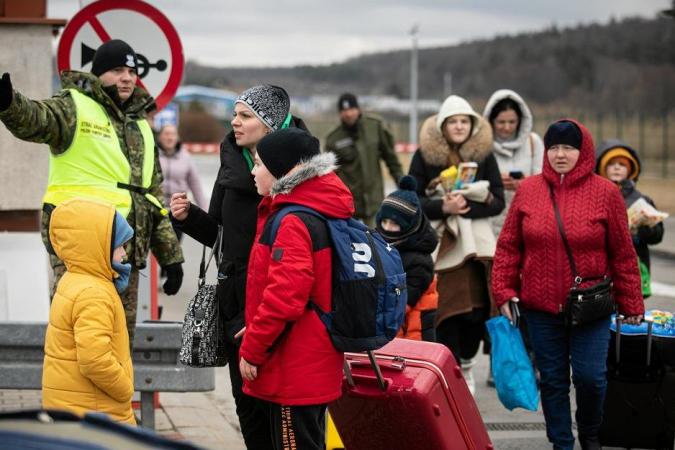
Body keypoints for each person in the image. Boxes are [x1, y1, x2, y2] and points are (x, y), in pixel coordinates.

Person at [0, 39, 184, 346]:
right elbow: (36, 119)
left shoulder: (141, 125)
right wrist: (9, 103)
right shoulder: (73, 106)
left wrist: (170, 256)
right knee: (77, 346)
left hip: (124, 256)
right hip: (80, 254)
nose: (127, 77)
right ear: (99, 74)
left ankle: (115, 397)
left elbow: (151, 196)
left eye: (131, 70)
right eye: (117, 70)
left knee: (117, 347)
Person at [170, 84, 308, 449]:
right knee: (247, 407)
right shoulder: (231, 160)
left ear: (270, 124)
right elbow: (219, 232)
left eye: (245, 116)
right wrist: (188, 218)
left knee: (282, 414)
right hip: (236, 304)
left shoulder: (301, 167)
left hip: (279, 307)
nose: (234, 122)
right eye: (234, 114)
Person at [492, 119, 644, 450]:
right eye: (554, 147)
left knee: (591, 378)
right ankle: (561, 442)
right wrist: (503, 290)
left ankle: (590, 431)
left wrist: (632, 303)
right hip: (540, 307)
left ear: (583, 150)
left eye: (569, 148)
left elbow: (622, 253)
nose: (560, 154)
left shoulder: (606, 193)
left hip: (591, 306)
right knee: (554, 381)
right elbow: (508, 246)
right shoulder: (529, 190)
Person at [239, 128, 353, 450]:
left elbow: (286, 298)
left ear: (283, 171)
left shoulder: (293, 220)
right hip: (312, 355)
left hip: (294, 365)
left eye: (258, 163)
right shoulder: (319, 208)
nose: (252, 171)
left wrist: (253, 347)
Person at [408, 94, 505, 394]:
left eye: (465, 121)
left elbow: (498, 200)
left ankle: (466, 363)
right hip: (441, 245)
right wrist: (443, 208)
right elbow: (412, 199)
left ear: (472, 125)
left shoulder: (485, 155)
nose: (460, 126)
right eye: (454, 122)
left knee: (476, 311)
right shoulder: (425, 156)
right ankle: (451, 372)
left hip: (478, 247)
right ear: (443, 126)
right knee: (446, 310)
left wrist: (467, 207)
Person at [42, 198, 135, 425]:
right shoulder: (94, 293)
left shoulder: (74, 279)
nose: (124, 253)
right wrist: (125, 389)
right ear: (98, 246)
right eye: (120, 245)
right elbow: (95, 359)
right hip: (96, 410)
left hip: (72, 405)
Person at [595, 139, 664, 298]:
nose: (617, 167)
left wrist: (644, 229)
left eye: (622, 164)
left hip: (635, 264)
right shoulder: (595, 197)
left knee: (631, 311)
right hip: (602, 267)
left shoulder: (642, 200)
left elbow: (658, 235)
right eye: (612, 163)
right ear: (602, 167)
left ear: (631, 169)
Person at [375, 175, 439, 341]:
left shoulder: (419, 261)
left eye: (395, 224)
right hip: (393, 329)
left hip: (413, 334)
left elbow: (402, 303)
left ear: (409, 226)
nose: (387, 228)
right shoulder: (380, 247)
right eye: (385, 221)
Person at [325, 93, 403, 226]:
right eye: (344, 110)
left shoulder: (375, 127)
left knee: (377, 241)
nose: (348, 114)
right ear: (340, 113)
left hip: (374, 203)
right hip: (349, 206)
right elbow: (330, 175)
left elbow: (391, 159)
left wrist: (402, 183)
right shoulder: (333, 139)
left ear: (358, 109)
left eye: (351, 109)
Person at [482, 89, 545, 235]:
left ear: (521, 120)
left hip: (526, 220)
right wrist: (494, 182)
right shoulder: (481, 146)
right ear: (490, 121)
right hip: (490, 223)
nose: (507, 127)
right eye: (501, 122)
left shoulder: (533, 142)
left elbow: (544, 180)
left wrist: (523, 185)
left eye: (512, 122)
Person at [157, 123, 208, 241]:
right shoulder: (153, 154)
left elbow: (195, 185)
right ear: (160, 137)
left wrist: (205, 212)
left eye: (173, 134)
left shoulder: (186, 157)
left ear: (177, 137)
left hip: (177, 210)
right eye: (166, 134)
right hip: (156, 208)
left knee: (174, 250)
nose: (170, 137)